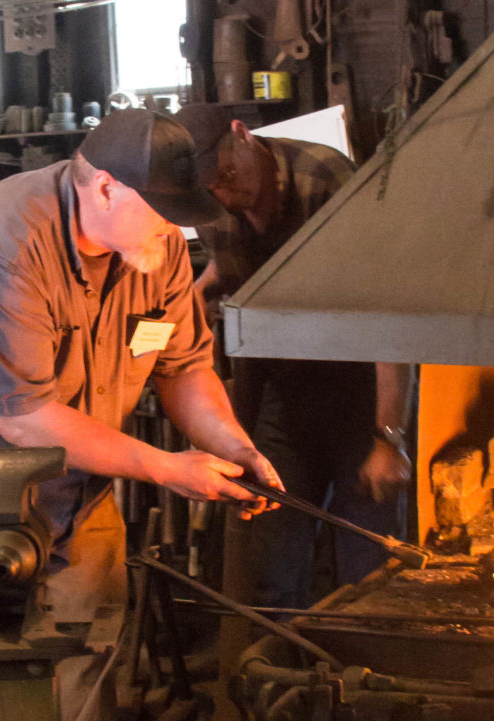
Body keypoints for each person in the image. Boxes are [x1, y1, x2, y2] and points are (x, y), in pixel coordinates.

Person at [0, 108, 282, 721]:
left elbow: (182, 366)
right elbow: (24, 417)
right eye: (161, 210)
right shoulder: (3, 241)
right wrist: (169, 469)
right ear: (105, 189)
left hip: (74, 491)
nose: (175, 229)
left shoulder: (155, 249)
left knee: (82, 674)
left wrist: (232, 445)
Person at [174, 103, 414, 609]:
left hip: (358, 391)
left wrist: (388, 437)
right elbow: (236, 264)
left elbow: (383, 310)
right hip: (284, 389)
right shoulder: (212, 201)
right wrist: (197, 292)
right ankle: (278, 676)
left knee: (366, 563)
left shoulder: (325, 178)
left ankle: (365, 672)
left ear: (242, 135)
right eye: (210, 186)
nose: (223, 193)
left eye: (228, 175)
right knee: (271, 549)